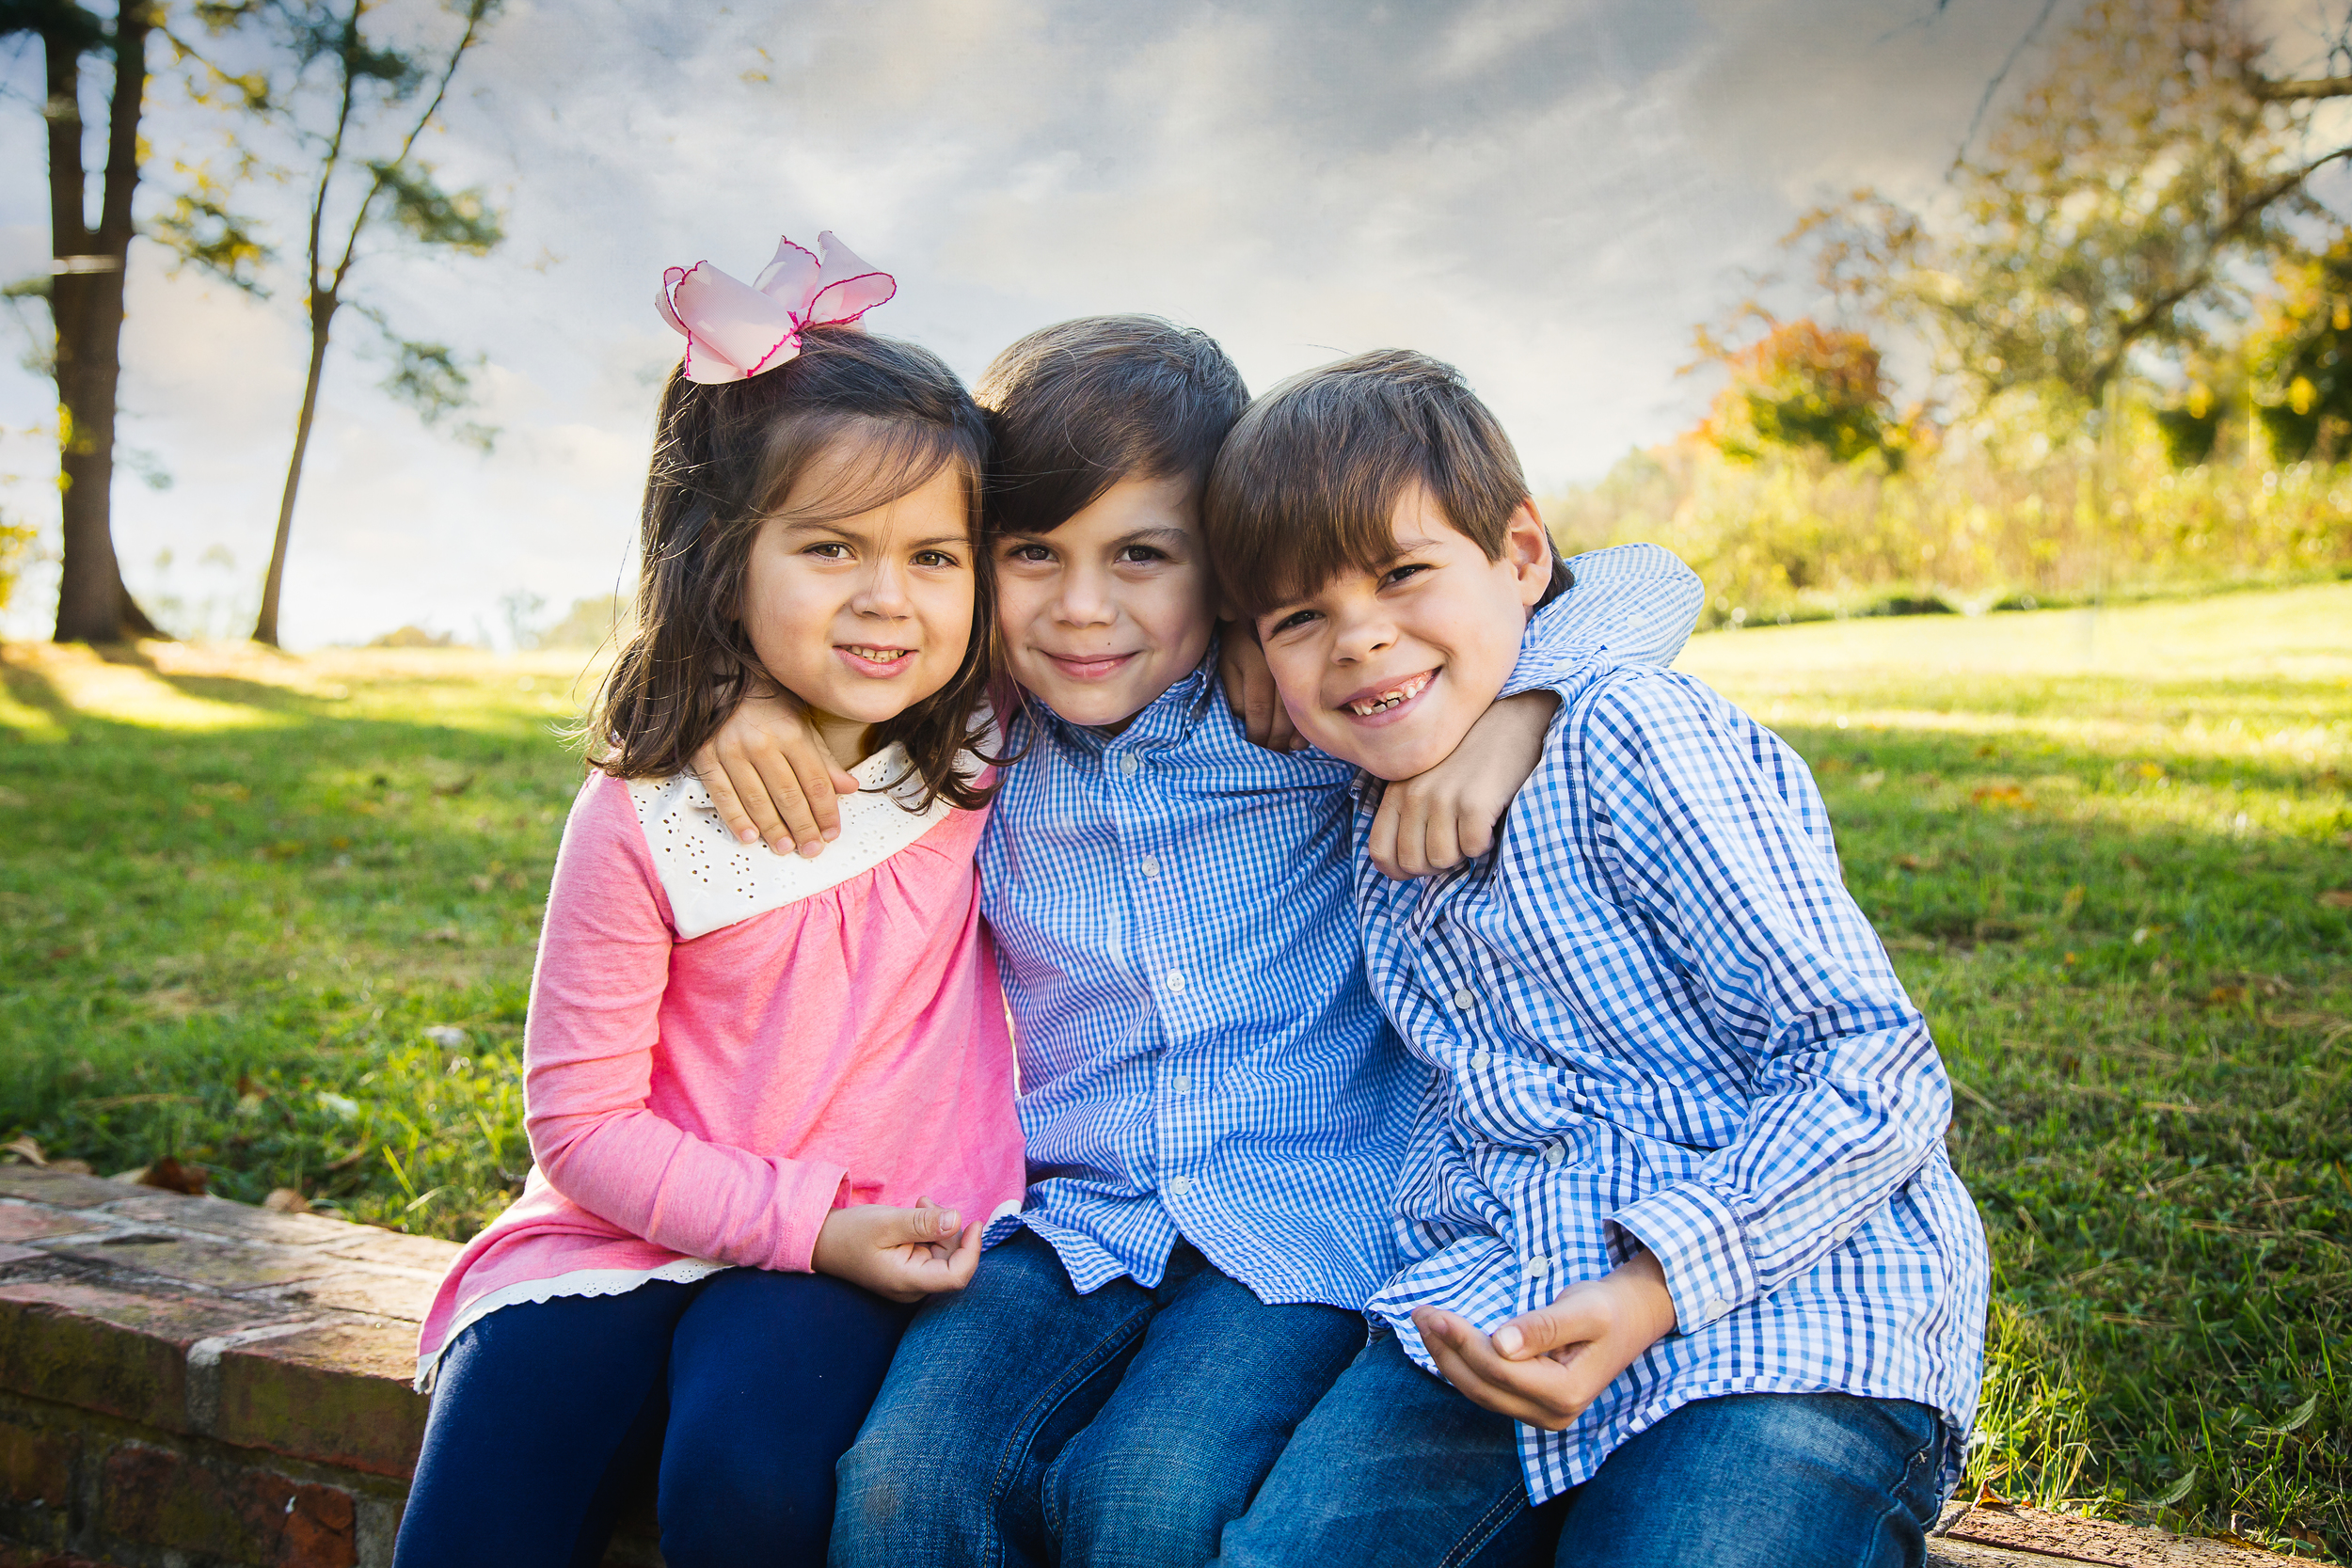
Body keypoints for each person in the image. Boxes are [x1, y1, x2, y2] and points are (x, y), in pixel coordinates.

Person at [691, 318, 1708, 1567]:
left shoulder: (1299, 708)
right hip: (1075, 1221)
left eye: (1142, 555)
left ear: (1223, 573)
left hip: (1304, 1220)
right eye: (1032, 553)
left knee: (1154, 1499)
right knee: (900, 1487)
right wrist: (743, 695)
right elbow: (813, 629)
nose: (1082, 608)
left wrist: (1523, 713)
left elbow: (1648, 577)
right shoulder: (982, 738)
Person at [1197, 349, 1991, 1568]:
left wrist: (1657, 1287)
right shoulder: (1357, 785)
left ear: (1520, 559)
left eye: (1402, 575)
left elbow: (1874, 1067)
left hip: (1789, 1306)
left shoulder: (1628, 736)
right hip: (1508, 1288)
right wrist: (1253, 635)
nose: (1358, 640)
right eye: (1302, 619)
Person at [392, 234, 1025, 1568]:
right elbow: (582, 1123)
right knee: (493, 1473)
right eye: (830, 548)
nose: (886, 600)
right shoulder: (645, 816)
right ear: (723, 556)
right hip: (625, 1225)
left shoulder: (980, 747)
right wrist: (730, 691)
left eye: (934, 557)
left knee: (747, 1472)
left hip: (869, 1234)